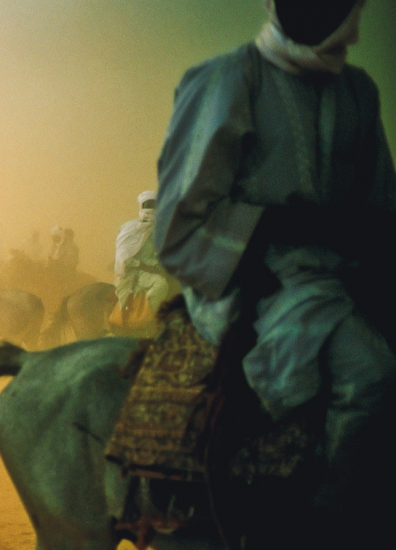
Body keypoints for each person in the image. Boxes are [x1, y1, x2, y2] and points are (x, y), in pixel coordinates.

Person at [151, 0, 393, 542]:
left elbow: (379, 204)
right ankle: (328, 522)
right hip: (254, 275)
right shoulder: (227, 79)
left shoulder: (359, 92)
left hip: (342, 270)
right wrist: (266, 232)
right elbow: (177, 224)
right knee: (370, 375)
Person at [113, 191, 176, 330]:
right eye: (148, 204)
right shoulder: (130, 228)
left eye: (154, 204)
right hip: (135, 271)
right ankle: (151, 320)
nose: (151, 208)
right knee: (161, 285)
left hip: (157, 269)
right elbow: (124, 257)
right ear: (142, 205)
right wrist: (143, 265)